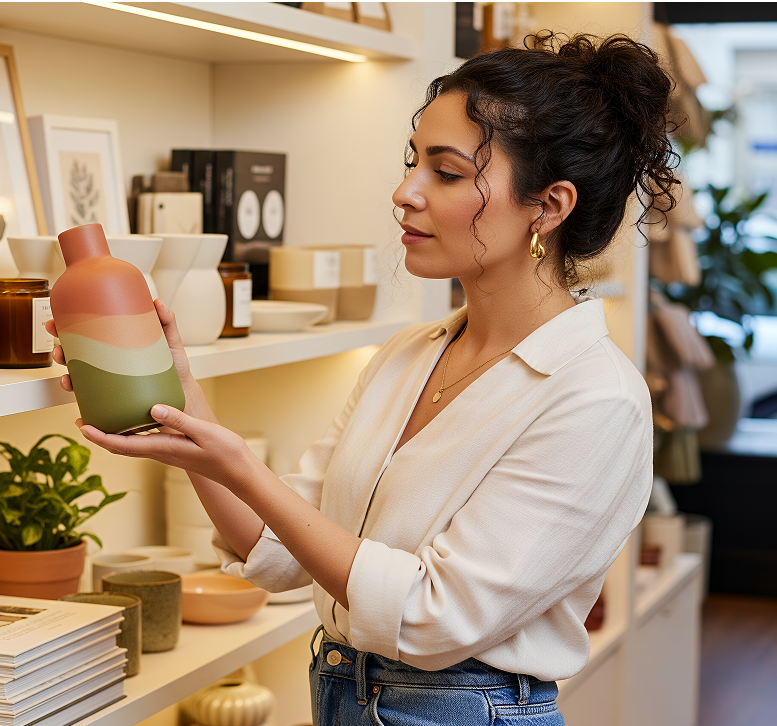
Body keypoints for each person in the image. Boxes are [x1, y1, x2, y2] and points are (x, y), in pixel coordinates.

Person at [49, 33, 678, 725]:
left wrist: (244, 469)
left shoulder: (593, 397)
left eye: (444, 172)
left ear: (548, 206)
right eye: (412, 163)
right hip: (345, 691)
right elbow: (280, 550)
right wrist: (175, 393)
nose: (403, 193)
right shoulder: (409, 354)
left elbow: (431, 617)